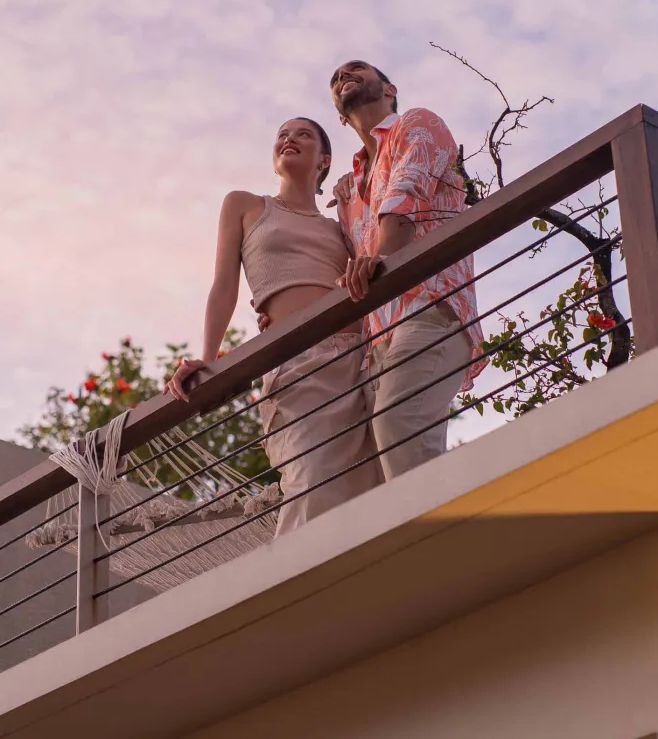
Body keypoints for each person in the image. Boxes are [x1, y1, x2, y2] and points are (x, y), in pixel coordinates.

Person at [165, 118, 382, 536]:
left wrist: (353, 195)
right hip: (297, 362)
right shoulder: (246, 205)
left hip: (360, 359)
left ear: (325, 160)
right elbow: (224, 286)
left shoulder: (340, 225)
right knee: (309, 479)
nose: (289, 138)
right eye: (282, 134)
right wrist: (209, 361)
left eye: (303, 134)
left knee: (366, 486)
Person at [326, 59, 486, 480]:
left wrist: (382, 257)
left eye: (356, 70)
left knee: (398, 424)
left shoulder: (418, 123)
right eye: (336, 79)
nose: (344, 77)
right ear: (342, 120)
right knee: (395, 460)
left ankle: (442, 543)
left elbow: (404, 197)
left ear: (390, 89)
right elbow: (344, 257)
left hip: (430, 306)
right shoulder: (353, 184)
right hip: (378, 340)